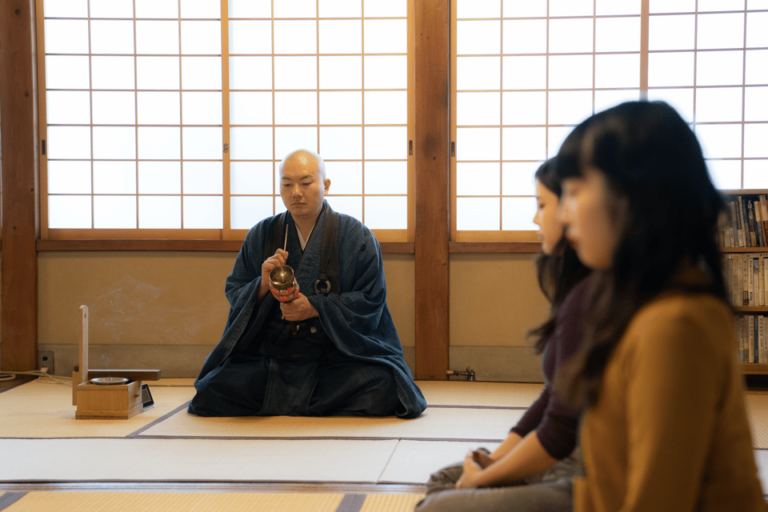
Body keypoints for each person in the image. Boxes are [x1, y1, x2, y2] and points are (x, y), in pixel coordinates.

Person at [554, 101, 765, 511]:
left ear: (633, 196)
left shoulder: (674, 326)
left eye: (575, 192)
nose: (564, 213)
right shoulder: (632, 302)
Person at [188, 149, 426, 418]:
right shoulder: (261, 233)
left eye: (305, 182)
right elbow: (235, 290)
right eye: (287, 184)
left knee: (383, 387)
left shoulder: (356, 235)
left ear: (325, 185)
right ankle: (314, 404)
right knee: (210, 391)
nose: (296, 193)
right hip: (272, 357)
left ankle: (280, 402)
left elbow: (371, 299)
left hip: (335, 355)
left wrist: (315, 307)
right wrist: (262, 285)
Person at [415, 158, 591, 512]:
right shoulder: (578, 289)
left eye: (542, 205)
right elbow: (551, 398)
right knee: (443, 482)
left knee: (440, 503)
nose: (535, 219)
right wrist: (494, 461)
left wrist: (487, 477)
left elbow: (559, 431)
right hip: (563, 458)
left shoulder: (599, 297)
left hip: (587, 472)